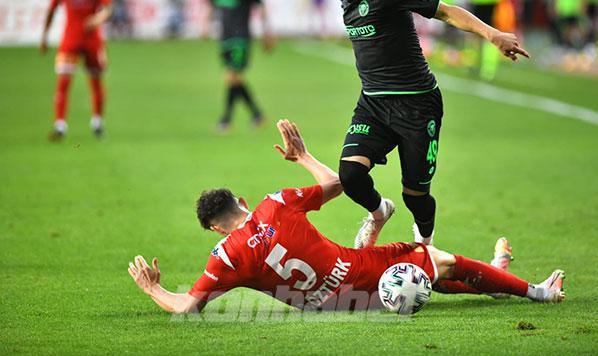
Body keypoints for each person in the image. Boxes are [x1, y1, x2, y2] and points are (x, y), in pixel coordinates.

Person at [128, 120, 565, 314]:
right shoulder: (273, 203)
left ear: (214, 228)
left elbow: (187, 307)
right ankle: (538, 293)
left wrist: (153, 288)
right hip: (355, 272)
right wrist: (303, 156)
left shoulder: (224, 257)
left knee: (420, 278)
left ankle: (495, 280)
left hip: (330, 306)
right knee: (437, 260)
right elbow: (338, 184)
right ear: (240, 201)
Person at [302, 0, 529, 250]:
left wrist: (492, 34)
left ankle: (425, 247)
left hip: (417, 105)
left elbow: (445, 11)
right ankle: (379, 213)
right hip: (373, 104)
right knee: (351, 176)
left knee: (415, 194)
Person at [40, 0, 112, 140]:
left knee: (95, 80)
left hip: (92, 39)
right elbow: (51, 11)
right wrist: (44, 36)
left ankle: (97, 123)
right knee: (63, 81)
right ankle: (60, 125)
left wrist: (97, 18)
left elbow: (107, 8)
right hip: (70, 38)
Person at [206, 0, 273, 132]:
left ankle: (225, 120)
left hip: (241, 35)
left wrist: (267, 32)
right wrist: (205, 24)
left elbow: (261, 5)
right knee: (234, 78)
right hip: (224, 35)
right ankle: (257, 115)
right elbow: (211, 4)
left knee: (232, 76)